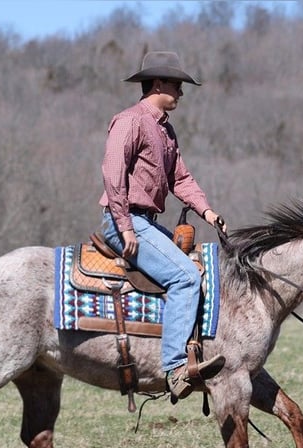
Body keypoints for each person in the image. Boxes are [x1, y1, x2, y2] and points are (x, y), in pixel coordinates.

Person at [99, 51, 227, 401]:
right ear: (157, 84)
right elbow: (112, 174)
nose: (181, 93)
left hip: (146, 222)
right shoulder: (129, 121)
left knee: (199, 264)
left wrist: (207, 212)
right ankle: (173, 368)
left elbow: (180, 178)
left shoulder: (166, 130)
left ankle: (195, 347)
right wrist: (124, 227)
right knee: (185, 276)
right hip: (124, 219)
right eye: (177, 85)